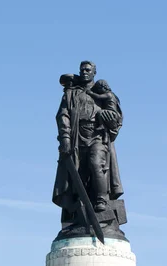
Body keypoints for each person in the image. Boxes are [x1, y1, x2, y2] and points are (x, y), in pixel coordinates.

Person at [52, 60, 125, 235]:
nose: (84, 72)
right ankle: (79, 212)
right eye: (82, 70)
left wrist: (108, 117)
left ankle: (101, 201)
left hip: (97, 136)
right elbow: (63, 116)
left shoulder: (102, 92)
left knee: (96, 164)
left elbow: (116, 116)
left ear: (94, 73)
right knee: (78, 173)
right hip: (77, 137)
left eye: (88, 70)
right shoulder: (71, 94)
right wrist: (66, 138)